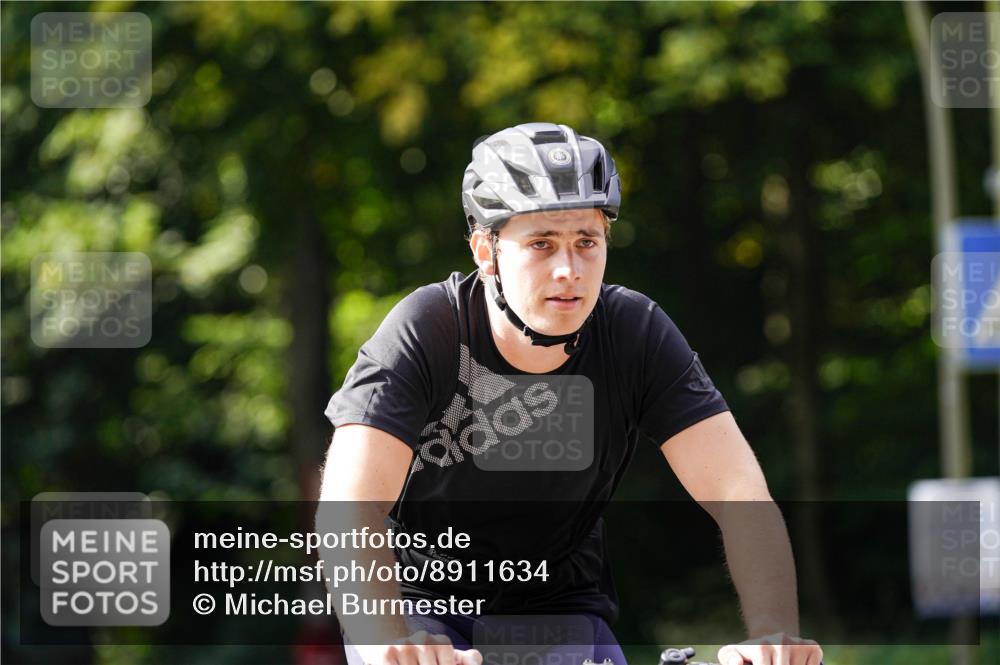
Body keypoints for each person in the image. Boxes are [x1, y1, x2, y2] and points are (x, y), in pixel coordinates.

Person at [317, 122, 824, 665]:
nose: (569, 270)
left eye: (587, 242)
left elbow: (738, 490)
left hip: (559, 605)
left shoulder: (635, 333)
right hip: (420, 604)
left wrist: (774, 637)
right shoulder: (427, 329)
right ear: (485, 251)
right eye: (541, 244)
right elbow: (349, 505)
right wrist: (382, 638)